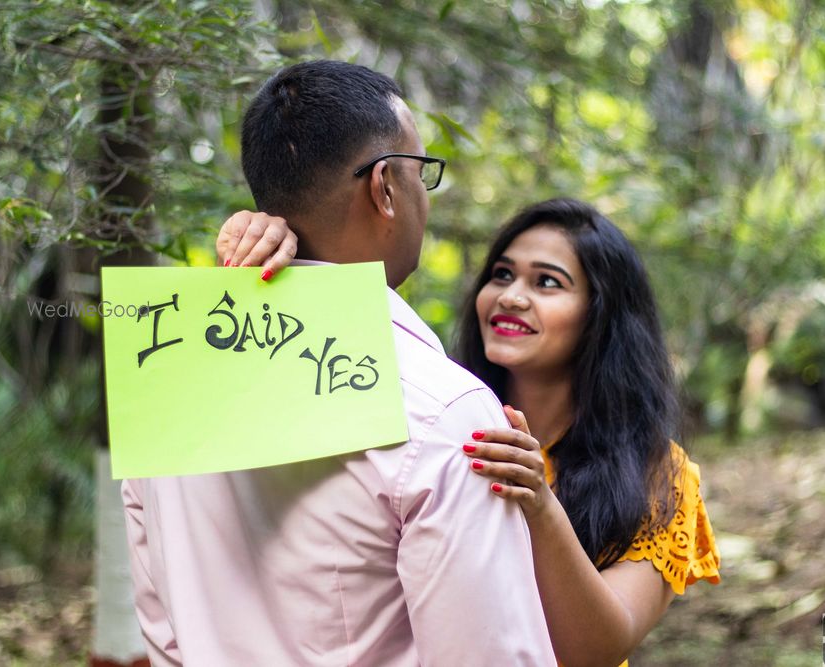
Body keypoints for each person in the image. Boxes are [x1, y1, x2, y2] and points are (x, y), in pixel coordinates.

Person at [122, 60, 556, 666]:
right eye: (420, 173)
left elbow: (164, 632)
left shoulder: (163, 379)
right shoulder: (447, 412)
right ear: (384, 186)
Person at [218, 199, 721, 666]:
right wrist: (283, 247)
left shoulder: (661, 473)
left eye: (547, 282)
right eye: (502, 275)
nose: (512, 297)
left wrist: (541, 507)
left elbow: (597, 649)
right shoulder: (430, 418)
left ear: (602, 316)